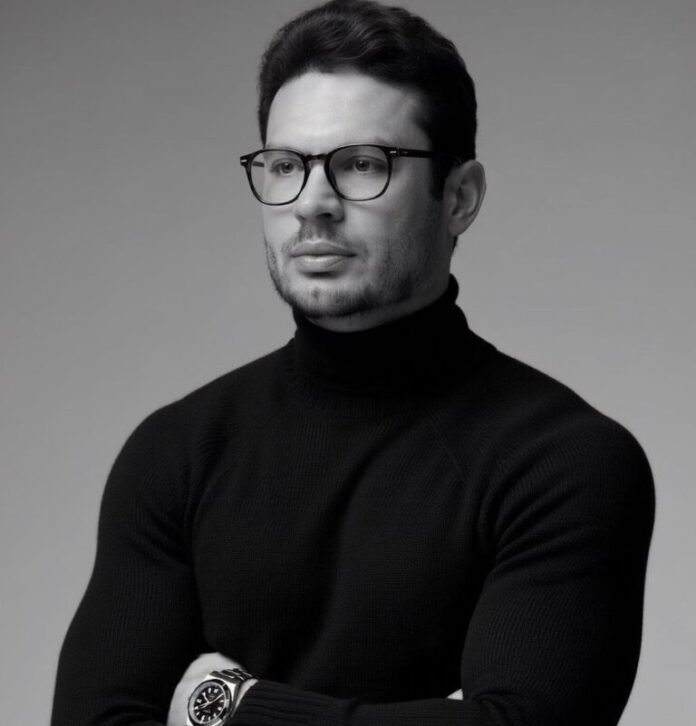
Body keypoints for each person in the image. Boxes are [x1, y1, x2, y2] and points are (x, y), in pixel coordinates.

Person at [51, 1, 655, 725]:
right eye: (285, 166)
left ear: (459, 197)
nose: (313, 204)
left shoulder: (566, 461)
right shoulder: (176, 451)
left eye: (363, 164)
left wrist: (231, 708)